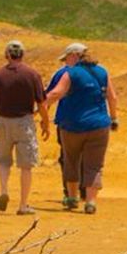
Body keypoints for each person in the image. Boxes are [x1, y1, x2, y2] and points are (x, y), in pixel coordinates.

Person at [45, 42, 118, 215]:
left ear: (75, 56)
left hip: (72, 125)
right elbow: (112, 97)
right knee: (94, 165)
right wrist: (113, 118)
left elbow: (55, 93)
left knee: (71, 160)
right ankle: (91, 202)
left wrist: (40, 109)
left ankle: (72, 198)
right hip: (99, 124)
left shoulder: (70, 73)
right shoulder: (102, 72)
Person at [0, 40, 50, 215]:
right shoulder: (32, 75)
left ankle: (4, 191)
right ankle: (23, 205)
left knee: (4, 161)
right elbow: (41, 103)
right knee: (26, 165)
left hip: (3, 122)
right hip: (24, 122)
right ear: (22, 55)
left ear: (7, 55)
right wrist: (46, 123)